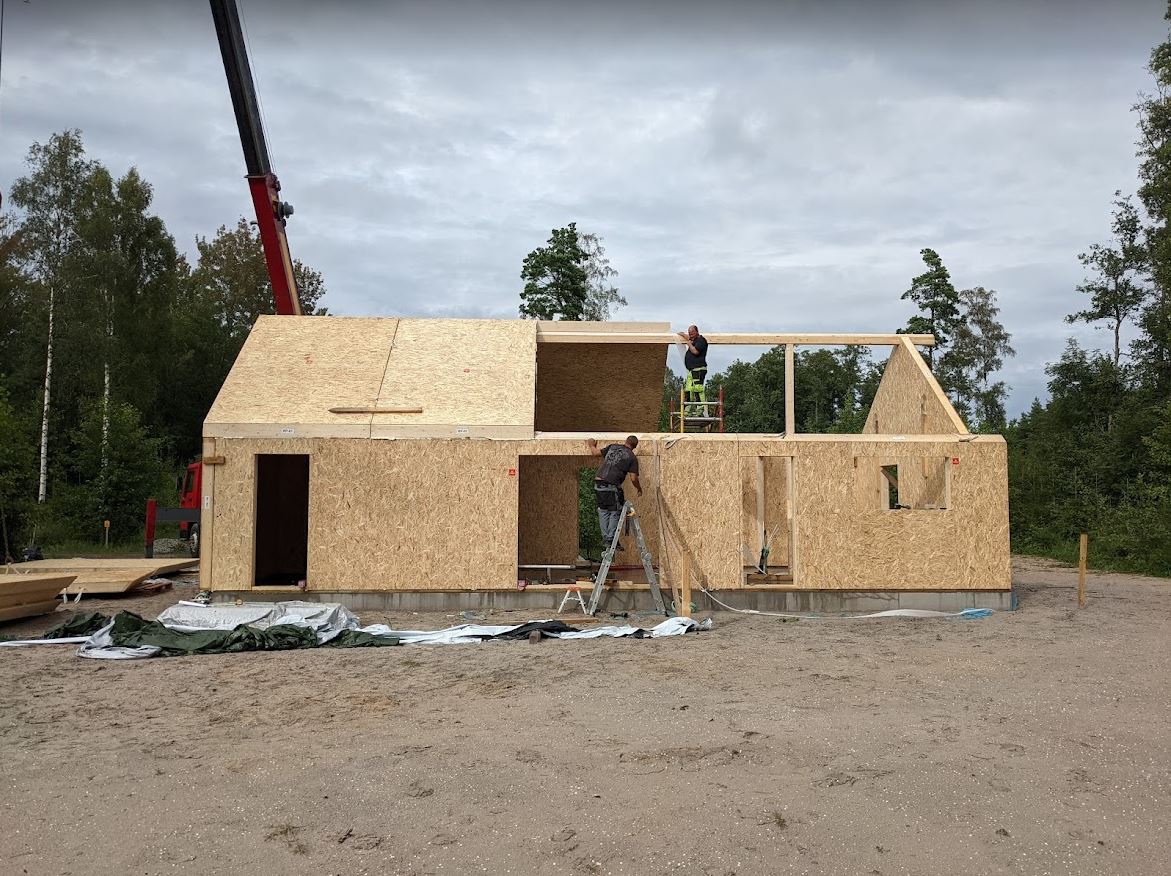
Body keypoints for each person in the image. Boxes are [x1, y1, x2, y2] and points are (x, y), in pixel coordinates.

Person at [585, 435, 642, 554]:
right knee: (615, 511)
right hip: (611, 486)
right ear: (635, 446)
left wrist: (591, 444)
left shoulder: (613, 447)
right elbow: (633, 478)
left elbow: (595, 453)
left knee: (603, 511)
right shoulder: (632, 457)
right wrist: (639, 488)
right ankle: (611, 539)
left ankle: (607, 538)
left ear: (626, 441)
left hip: (598, 484)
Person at [677, 325, 709, 414]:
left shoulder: (701, 340)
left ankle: (700, 410)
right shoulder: (693, 339)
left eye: (692, 334)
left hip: (698, 369)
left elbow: (695, 351)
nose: (690, 335)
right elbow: (688, 337)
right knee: (688, 389)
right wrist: (682, 334)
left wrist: (689, 344)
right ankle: (687, 410)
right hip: (691, 370)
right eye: (689, 333)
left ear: (697, 332)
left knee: (697, 389)